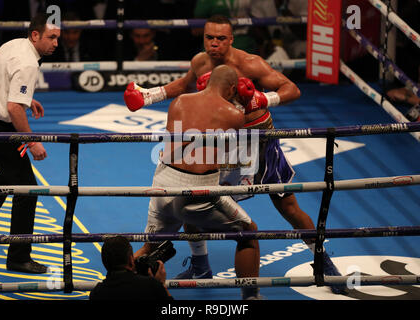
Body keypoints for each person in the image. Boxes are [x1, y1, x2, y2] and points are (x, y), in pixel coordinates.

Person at [124, 15, 345, 294]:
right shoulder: (200, 62)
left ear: (231, 39)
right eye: (209, 38)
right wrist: (149, 96)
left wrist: (264, 99)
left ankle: (321, 260)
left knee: (288, 206)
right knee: (193, 201)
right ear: (203, 37)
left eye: (221, 38)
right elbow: (185, 85)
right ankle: (201, 266)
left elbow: (292, 89)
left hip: (257, 142)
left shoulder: (250, 64)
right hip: (220, 149)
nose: (214, 44)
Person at [134, 65, 262, 300]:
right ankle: (251, 297)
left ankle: (112, 288)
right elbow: (233, 162)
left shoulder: (180, 101)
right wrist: (246, 107)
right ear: (233, 88)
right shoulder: (233, 114)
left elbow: (175, 147)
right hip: (198, 190)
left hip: (163, 180)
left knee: (149, 248)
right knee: (248, 233)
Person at [0, 13, 59, 273]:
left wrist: (27, 99)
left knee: (8, 176)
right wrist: (32, 141)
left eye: (57, 38)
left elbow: (3, 84)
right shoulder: (27, 62)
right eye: (51, 37)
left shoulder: (13, 44)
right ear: (35, 35)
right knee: (27, 189)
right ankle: (18, 257)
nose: (56, 43)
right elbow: (14, 108)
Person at [89, 235, 173, 300]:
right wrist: (161, 285)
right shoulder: (150, 286)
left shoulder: (97, 293)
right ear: (131, 259)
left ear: (104, 263)